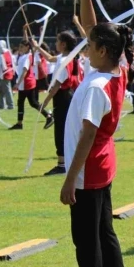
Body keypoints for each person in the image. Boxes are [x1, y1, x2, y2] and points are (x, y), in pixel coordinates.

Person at [59, 0, 134, 267]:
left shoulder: (95, 86)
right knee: (105, 235)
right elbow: (94, 30)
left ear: (103, 51)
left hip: (88, 171)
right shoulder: (115, 71)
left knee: (87, 241)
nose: (85, 47)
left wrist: (68, 178)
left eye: (90, 46)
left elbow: (87, 137)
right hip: (103, 166)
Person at [40, 31, 80, 176]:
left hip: (63, 98)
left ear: (63, 44)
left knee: (61, 131)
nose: (55, 44)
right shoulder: (66, 58)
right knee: (65, 129)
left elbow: (57, 84)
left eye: (57, 41)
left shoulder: (65, 61)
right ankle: (66, 162)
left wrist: (45, 102)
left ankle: (62, 164)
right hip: (66, 97)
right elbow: (50, 58)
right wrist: (37, 47)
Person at [9, 39, 53, 130]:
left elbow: (25, 71)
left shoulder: (27, 57)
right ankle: (19, 123)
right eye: (20, 46)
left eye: (22, 46)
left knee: (33, 103)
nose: (20, 48)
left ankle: (48, 116)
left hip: (27, 84)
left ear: (27, 47)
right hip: (25, 84)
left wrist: (17, 83)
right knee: (24, 102)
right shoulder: (26, 55)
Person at [0, 39, 15, 110]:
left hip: (5, 74)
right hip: (8, 73)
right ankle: (1, 104)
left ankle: (10, 105)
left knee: (7, 90)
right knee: (1, 89)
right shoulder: (8, 52)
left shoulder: (2, 54)